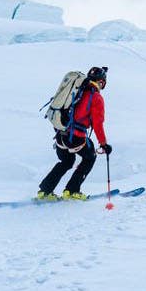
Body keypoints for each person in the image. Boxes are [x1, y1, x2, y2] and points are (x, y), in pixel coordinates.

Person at [37, 66, 113, 201]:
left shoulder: (77, 91)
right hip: (76, 137)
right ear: (101, 82)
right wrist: (104, 144)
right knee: (90, 157)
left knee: (66, 161)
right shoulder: (96, 97)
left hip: (61, 134)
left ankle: (44, 192)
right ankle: (72, 191)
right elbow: (97, 124)